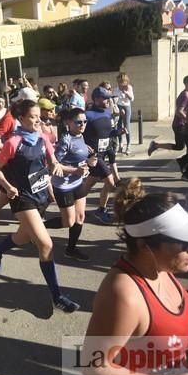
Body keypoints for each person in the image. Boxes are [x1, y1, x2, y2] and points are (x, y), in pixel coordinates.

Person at [83, 178, 188, 375]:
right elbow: (93, 365)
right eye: (183, 241)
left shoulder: (160, 268)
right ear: (145, 246)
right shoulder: (124, 295)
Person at [0, 99, 80, 313]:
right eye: (33, 116)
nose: (38, 119)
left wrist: (63, 168)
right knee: (45, 245)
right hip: (22, 198)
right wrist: (8, 187)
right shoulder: (13, 142)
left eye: (39, 115)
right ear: (21, 119)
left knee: (23, 237)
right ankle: (57, 296)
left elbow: (51, 163)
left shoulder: (42, 137)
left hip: (40, 196)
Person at [0, 87, 40, 242]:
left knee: (20, 194)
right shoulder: (10, 117)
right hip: (10, 163)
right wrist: (9, 152)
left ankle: (29, 230)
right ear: (21, 102)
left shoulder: (29, 115)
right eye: (31, 101)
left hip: (26, 161)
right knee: (7, 196)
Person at [50, 108, 97, 261]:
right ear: (68, 123)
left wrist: (90, 161)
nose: (82, 124)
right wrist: (75, 170)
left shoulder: (81, 136)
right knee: (68, 221)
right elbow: (54, 165)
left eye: (85, 121)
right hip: (63, 185)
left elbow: (80, 159)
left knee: (80, 216)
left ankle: (71, 249)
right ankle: (37, 228)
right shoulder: (65, 140)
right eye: (78, 122)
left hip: (78, 182)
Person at [83, 86, 122, 224]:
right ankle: (101, 210)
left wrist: (117, 132)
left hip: (103, 152)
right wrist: (82, 147)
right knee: (111, 184)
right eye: (106, 98)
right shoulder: (87, 115)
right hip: (94, 156)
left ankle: (78, 204)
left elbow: (106, 133)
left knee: (89, 184)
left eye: (109, 98)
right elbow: (76, 132)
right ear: (96, 99)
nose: (108, 101)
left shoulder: (106, 112)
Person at [147, 75, 188, 167]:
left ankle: (185, 162)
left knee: (185, 145)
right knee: (184, 146)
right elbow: (179, 112)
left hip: (185, 125)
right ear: (187, 83)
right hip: (180, 125)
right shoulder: (185, 96)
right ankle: (185, 162)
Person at [114, 73, 134, 155]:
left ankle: (128, 145)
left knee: (126, 126)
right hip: (118, 107)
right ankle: (120, 144)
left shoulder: (129, 87)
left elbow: (131, 98)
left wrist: (126, 92)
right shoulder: (116, 89)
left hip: (126, 107)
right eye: (119, 81)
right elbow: (114, 99)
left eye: (122, 81)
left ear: (126, 81)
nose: (120, 83)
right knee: (118, 126)